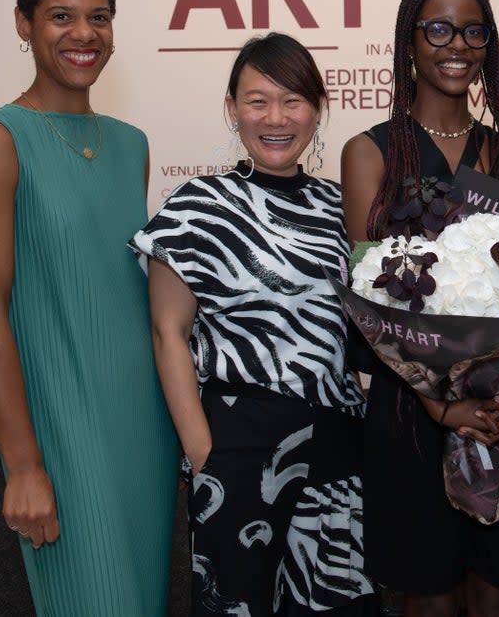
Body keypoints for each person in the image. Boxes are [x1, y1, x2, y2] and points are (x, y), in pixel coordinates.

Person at [0, 0, 178, 615]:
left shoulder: (130, 143)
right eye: (60, 16)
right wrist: (23, 464)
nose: (84, 33)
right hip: (61, 422)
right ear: (24, 24)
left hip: (145, 422)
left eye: (99, 16)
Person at [131, 33, 377, 616]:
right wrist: (201, 453)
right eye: (257, 100)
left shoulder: (341, 208)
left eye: (292, 101)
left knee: (335, 601)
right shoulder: (197, 207)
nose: (275, 118)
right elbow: (168, 334)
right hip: (238, 449)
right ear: (231, 107)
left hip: (338, 445)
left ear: (317, 109)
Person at [341, 0, 499, 616]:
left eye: (472, 31)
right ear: (410, 42)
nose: (455, 45)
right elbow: (372, 305)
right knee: (429, 597)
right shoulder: (370, 153)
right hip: (415, 413)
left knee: (498, 593)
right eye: (437, 29)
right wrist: (440, 407)